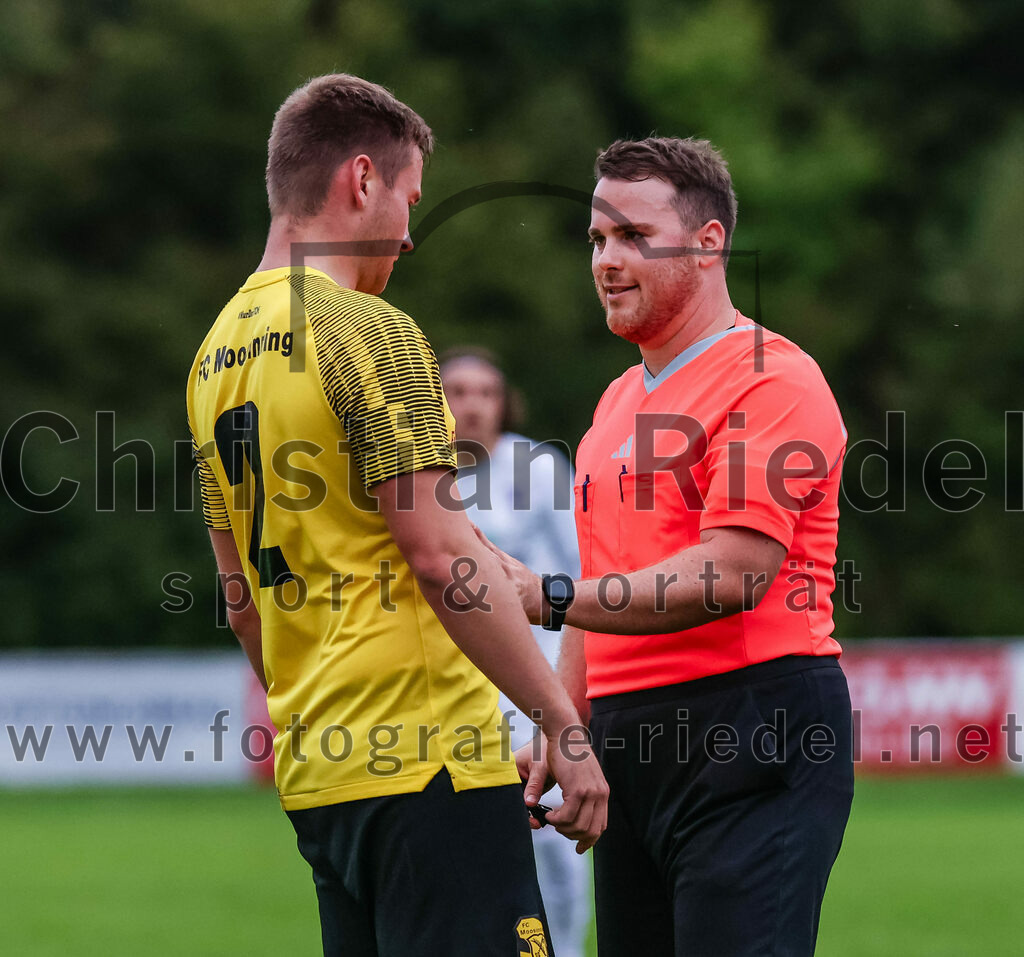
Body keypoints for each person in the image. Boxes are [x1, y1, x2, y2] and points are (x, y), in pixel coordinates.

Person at [185, 74, 607, 957]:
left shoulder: (212, 357)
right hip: (429, 758)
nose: (411, 234)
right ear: (362, 178)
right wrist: (560, 721)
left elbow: (241, 600)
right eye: (411, 201)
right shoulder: (369, 329)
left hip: (321, 772)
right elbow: (440, 555)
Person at [481, 137, 855, 956]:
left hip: (750, 723)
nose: (606, 260)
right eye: (596, 239)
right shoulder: (615, 402)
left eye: (634, 236)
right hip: (629, 740)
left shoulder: (771, 376)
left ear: (709, 242)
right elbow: (602, 577)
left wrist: (547, 596)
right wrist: (564, 720)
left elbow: (734, 571)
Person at [440, 347, 592, 957]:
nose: (473, 405)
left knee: (553, 836)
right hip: (449, 687)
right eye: (458, 391)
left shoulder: (538, 466)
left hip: (534, 684)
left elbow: (583, 573)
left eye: (486, 392)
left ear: (504, 404)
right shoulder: (418, 475)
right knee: (463, 839)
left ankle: (566, 949)